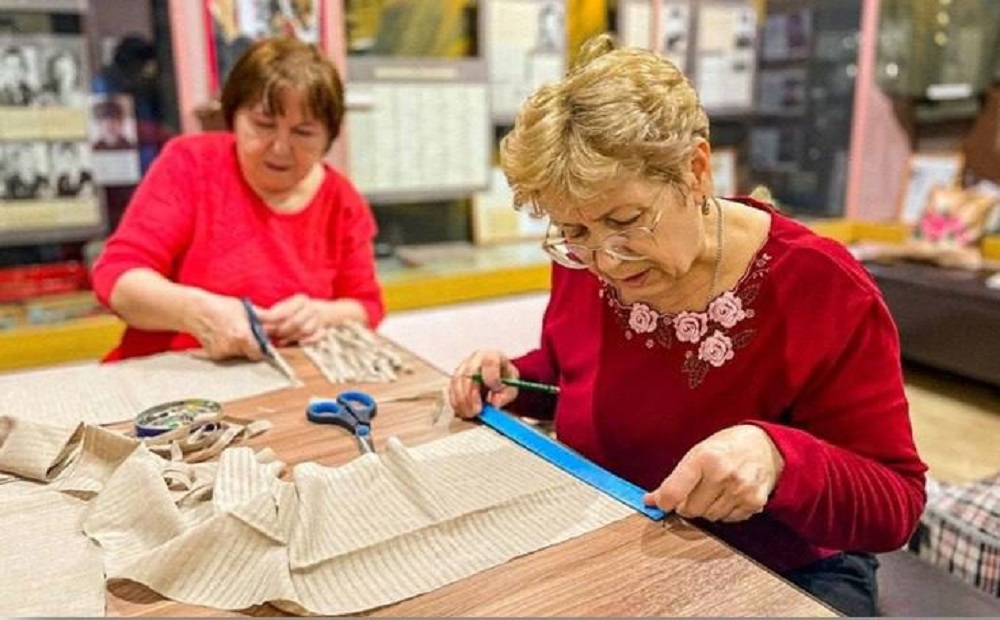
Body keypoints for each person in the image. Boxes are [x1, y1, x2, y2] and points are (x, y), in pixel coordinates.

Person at [448, 35, 926, 617]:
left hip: (783, 569)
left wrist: (779, 457)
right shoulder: (588, 258)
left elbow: (897, 504)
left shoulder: (821, 288)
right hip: (620, 539)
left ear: (696, 171)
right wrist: (513, 379)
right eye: (574, 232)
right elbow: (574, 371)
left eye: (625, 220)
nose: (606, 261)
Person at [90, 37, 385, 362]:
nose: (280, 148)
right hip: (168, 372)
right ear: (234, 117)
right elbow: (115, 277)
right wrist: (194, 311)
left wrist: (321, 315)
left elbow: (367, 306)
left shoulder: (342, 201)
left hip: (285, 376)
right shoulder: (191, 163)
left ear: (329, 137)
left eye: (303, 132)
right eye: (263, 125)